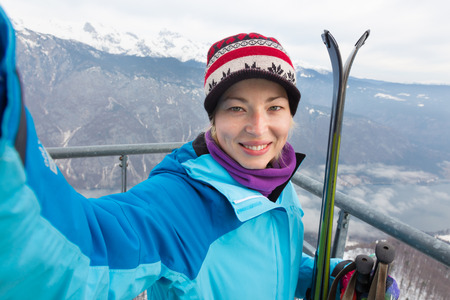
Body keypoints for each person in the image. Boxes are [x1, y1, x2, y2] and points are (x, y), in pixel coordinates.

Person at [0, 7, 398, 300]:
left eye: (274, 107)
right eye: (236, 107)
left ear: (291, 116)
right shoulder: (179, 206)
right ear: (213, 119)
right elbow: (81, 257)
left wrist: (333, 277)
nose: (258, 128)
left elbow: (275, 262)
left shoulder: (276, 183)